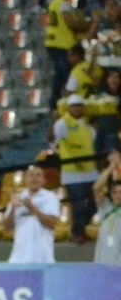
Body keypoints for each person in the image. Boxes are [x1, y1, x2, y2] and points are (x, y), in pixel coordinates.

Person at [53, 94, 98, 245]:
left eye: (80, 105)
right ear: (69, 107)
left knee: (94, 204)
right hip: (72, 173)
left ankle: (80, 227)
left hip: (90, 172)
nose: (78, 108)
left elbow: (92, 144)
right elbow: (55, 143)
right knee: (78, 204)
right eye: (75, 106)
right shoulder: (62, 124)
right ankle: (78, 233)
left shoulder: (88, 125)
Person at [44, 0, 87, 108]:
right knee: (64, 76)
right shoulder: (62, 3)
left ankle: (57, 103)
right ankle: (58, 104)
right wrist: (83, 25)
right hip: (61, 43)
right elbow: (69, 22)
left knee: (61, 75)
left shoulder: (53, 1)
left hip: (53, 42)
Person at [5, 165, 60, 264]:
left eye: (38, 175)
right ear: (25, 180)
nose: (34, 178)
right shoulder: (18, 198)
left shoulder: (50, 197)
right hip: (18, 259)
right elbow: (7, 227)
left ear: (43, 180)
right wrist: (13, 207)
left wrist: (33, 209)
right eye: (31, 175)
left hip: (43, 258)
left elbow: (52, 223)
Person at [92, 152, 121, 265]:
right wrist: (112, 166)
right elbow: (96, 188)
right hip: (103, 261)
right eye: (115, 192)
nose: (118, 195)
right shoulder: (106, 209)